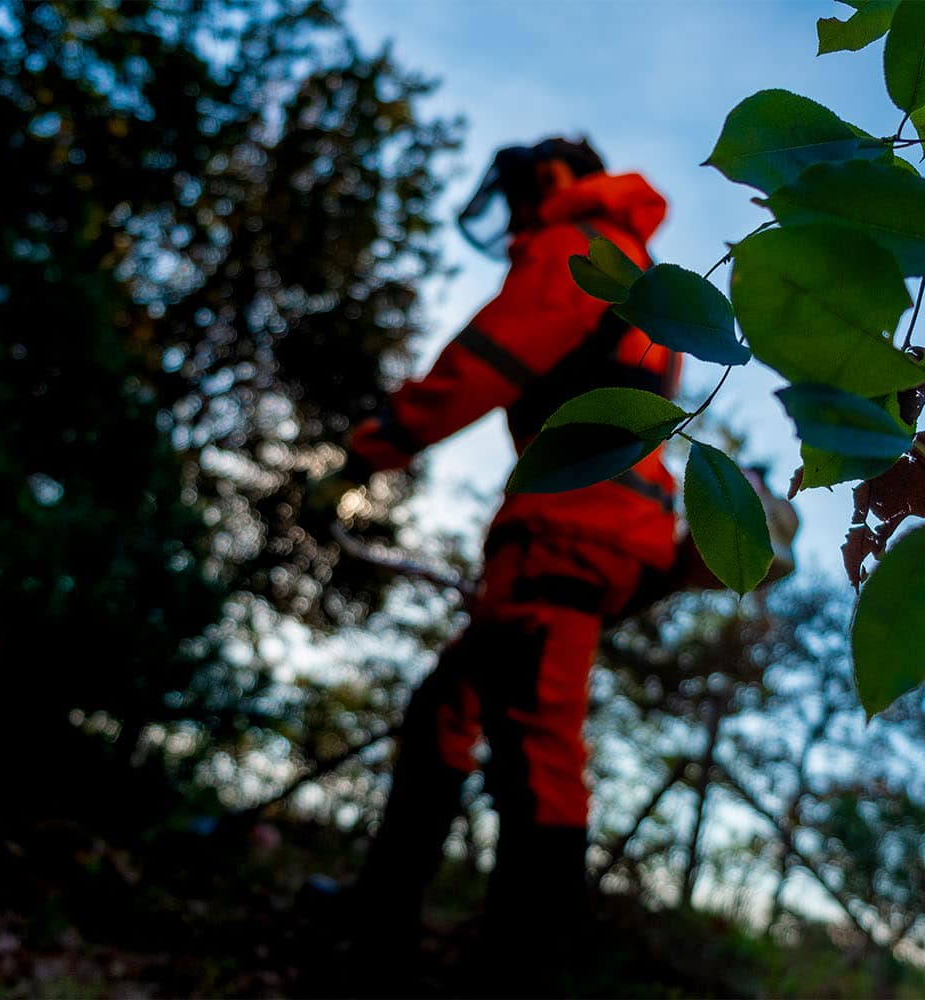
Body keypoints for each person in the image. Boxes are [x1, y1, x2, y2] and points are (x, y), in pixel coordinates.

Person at [312, 137, 791, 972]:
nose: (511, 220)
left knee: (535, 737)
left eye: (517, 196)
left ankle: (515, 972)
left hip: (571, 528)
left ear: (551, 181)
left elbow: (488, 358)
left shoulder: (578, 250)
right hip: (600, 526)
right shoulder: (638, 275)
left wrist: (370, 450)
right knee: (447, 711)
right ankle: (378, 923)